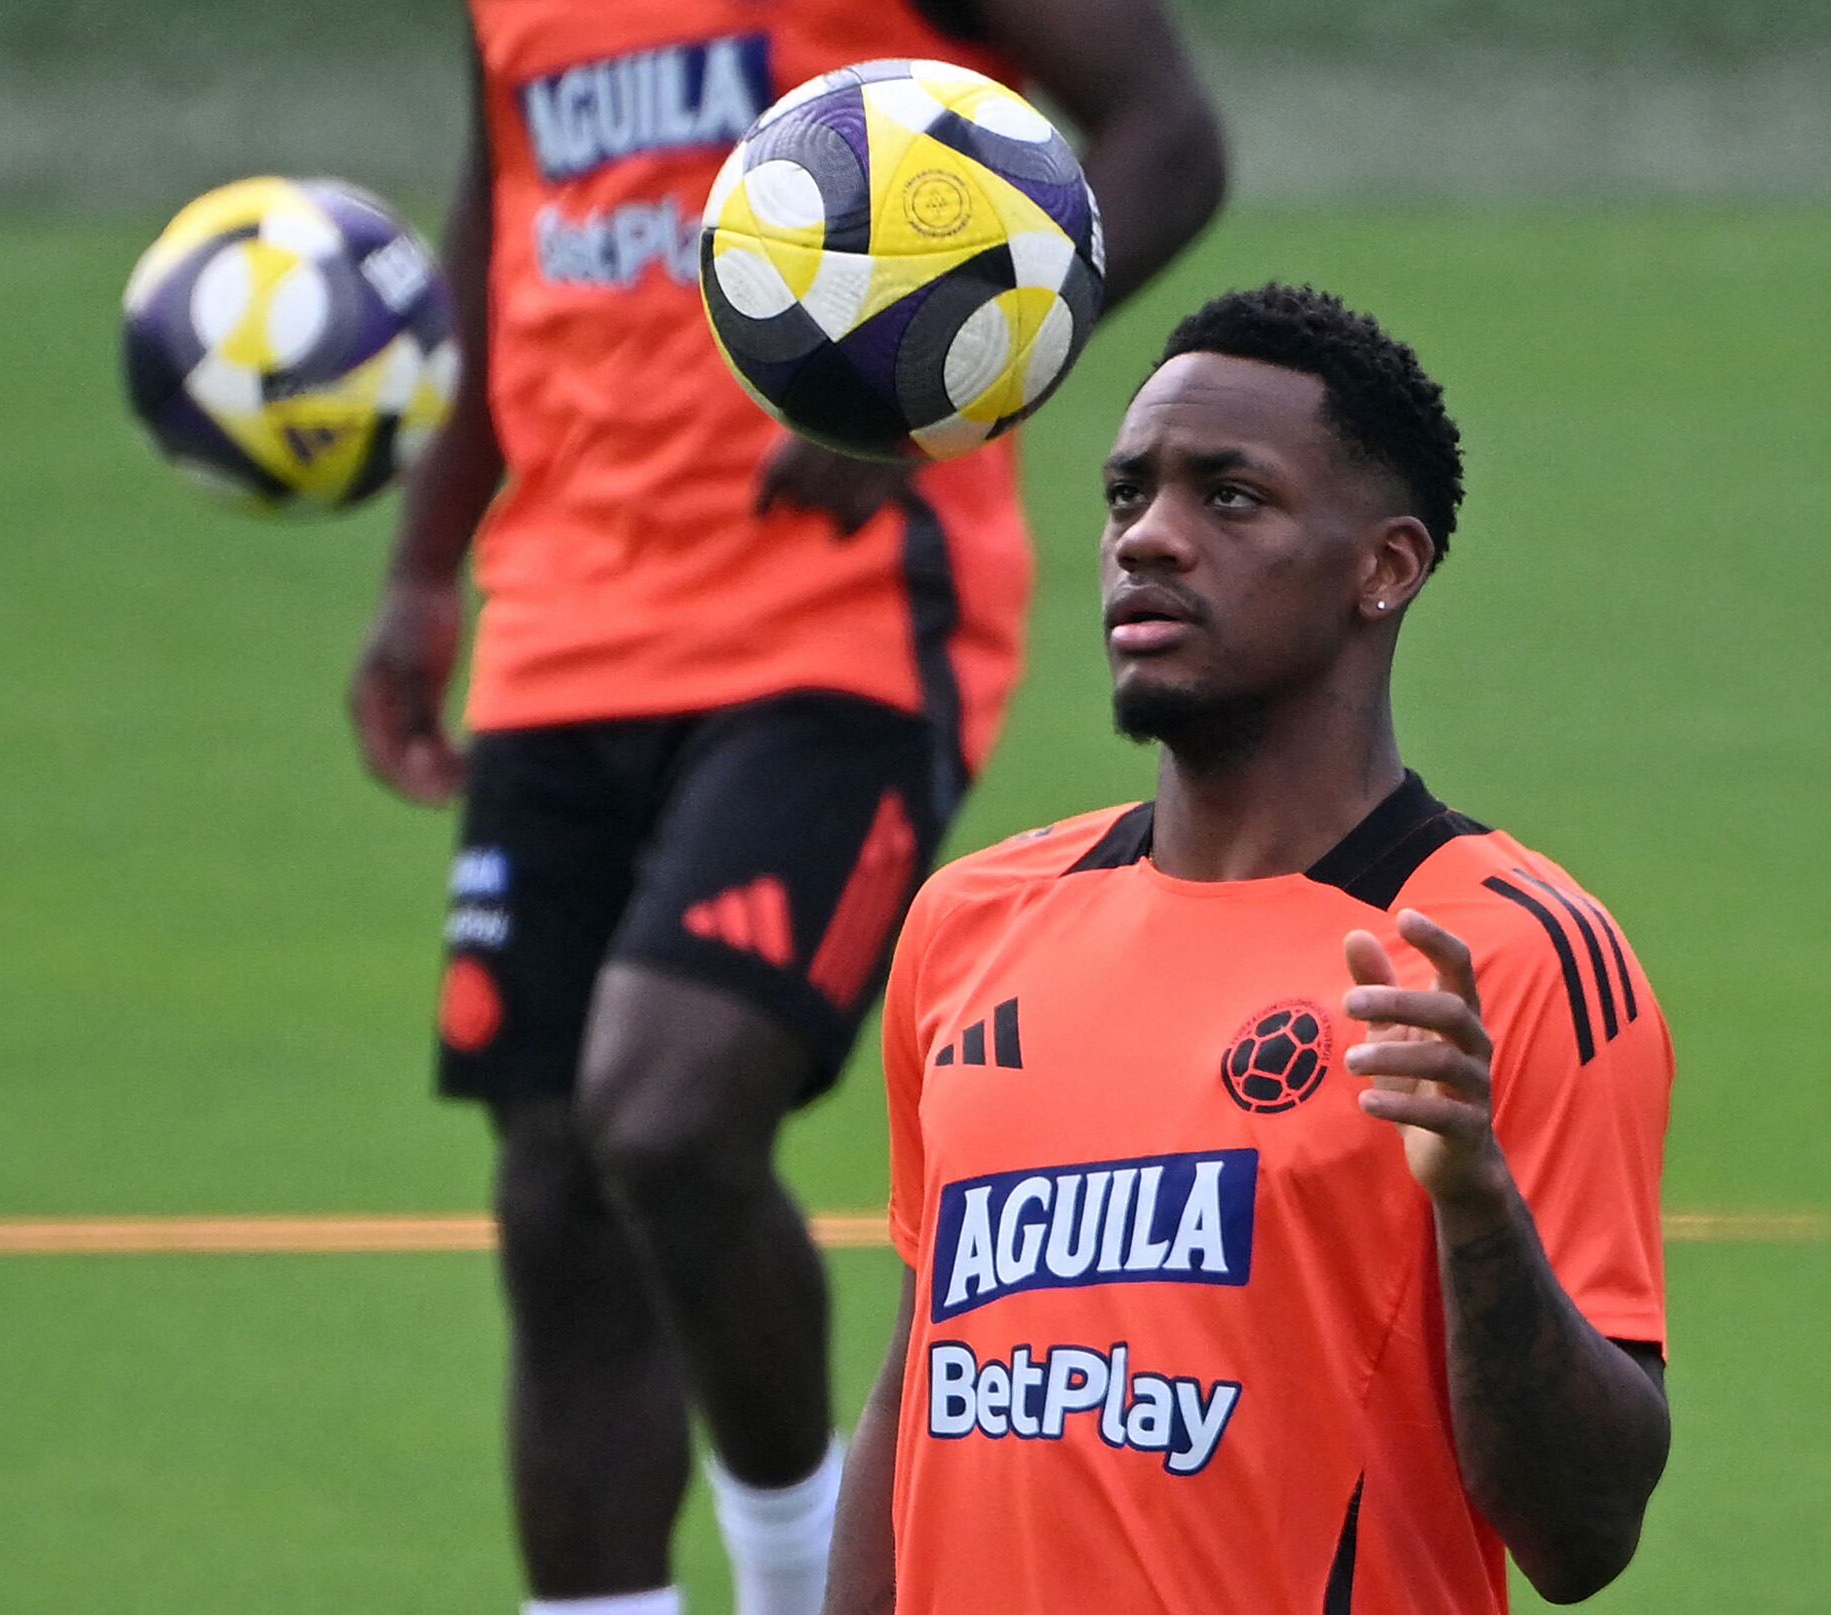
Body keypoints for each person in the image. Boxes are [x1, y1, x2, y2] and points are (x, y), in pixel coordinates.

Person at [348, 5, 1223, 1613]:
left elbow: (1165, 134)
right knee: (552, 1188)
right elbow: (501, 238)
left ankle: (800, 1576)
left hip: (836, 626)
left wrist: (958, 384)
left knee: (668, 1115)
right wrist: (421, 567)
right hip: (559, 625)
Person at [829, 283, 1675, 1613]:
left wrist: (1474, 1197)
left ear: (1382, 568)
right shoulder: (971, 926)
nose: (1147, 542)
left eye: (1227, 498)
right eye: (1125, 497)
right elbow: (915, 1402)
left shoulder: (1504, 955)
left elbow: (1583, 1533)